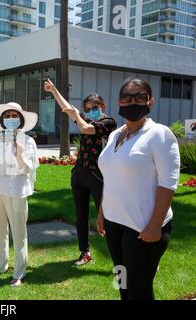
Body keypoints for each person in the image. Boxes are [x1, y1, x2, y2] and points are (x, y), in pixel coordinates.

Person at [97, 78, 180, 300]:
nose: (133, 101)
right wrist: (102, 212)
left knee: (139, 289)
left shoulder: (159, 134)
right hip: (115, 223)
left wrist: (154, 226)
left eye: (140, 97)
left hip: (143, 228)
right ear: (119, 102)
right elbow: (111, 176)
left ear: (150, 101)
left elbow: (168, 183)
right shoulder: (115, 134)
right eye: (127, 97)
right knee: (121, 280)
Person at [44, 79, 117, 266]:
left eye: (94, 107)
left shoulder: (109, 122)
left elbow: (85, 128)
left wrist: (77, 114)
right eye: (87, 107)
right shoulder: (84, 117)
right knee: (81, 216)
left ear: (102, 106)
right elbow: (69, 108)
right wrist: (53, 90)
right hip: (80, 174)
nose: (91, 110)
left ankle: (119, 256)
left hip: (98, 176)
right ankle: (84, 252)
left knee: (108, 217)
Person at [0, 102, 39, 287]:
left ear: (21, 119)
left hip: (16, 190)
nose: (10, 119)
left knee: (18, 232)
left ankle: (19, 271)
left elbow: (27, 169)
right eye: (7, 116)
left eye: (14, 115)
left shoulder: (28, 141)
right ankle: (1, 265)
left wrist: (20, 155)